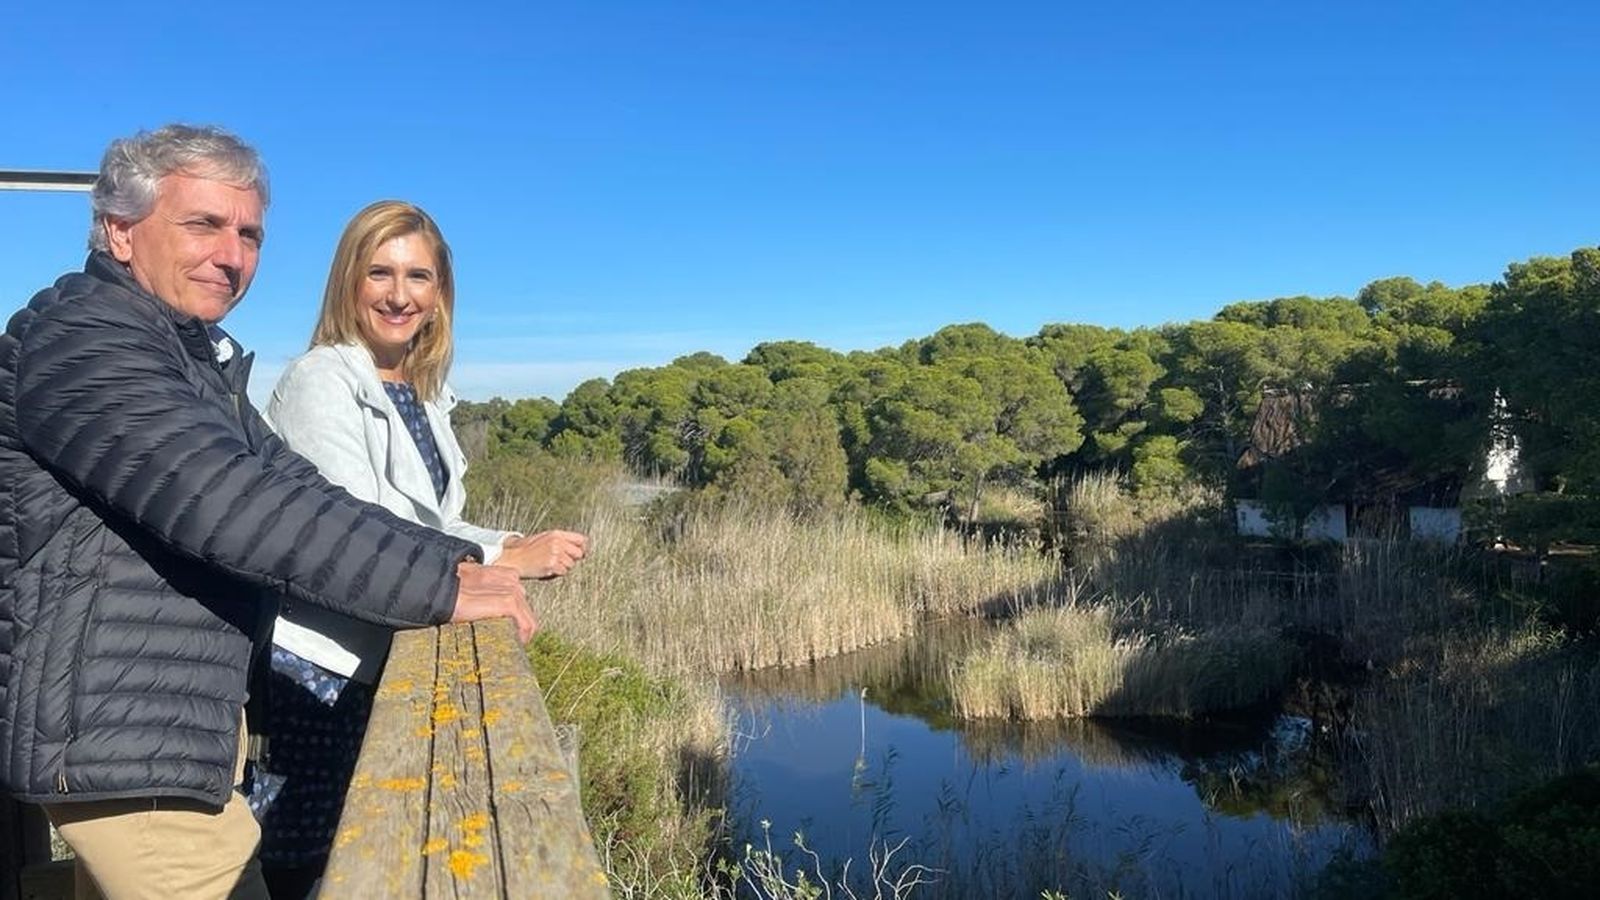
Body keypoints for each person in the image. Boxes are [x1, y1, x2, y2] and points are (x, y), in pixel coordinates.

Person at [0, 125, 536, 900]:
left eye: (248, 233)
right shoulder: (84, 342)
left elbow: (302, 488)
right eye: (203, 225)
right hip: (120, 734)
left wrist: (458, 563)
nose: (233, 254)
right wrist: (442, 587)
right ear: (120, 230)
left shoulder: (188, 359)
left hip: (158, 730)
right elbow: (238, 506)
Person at [253, 200, 588, 895]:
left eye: (418, 277)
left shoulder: (421, 393)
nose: (399, 295)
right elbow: (352, 529)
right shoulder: (320, 382)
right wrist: (498, 563)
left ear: (440, 297)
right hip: (321, 669)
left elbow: (430, 519)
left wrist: (508, 542)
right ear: (349, 280)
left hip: (381, 655)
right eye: (380, 272)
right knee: (313, 866)